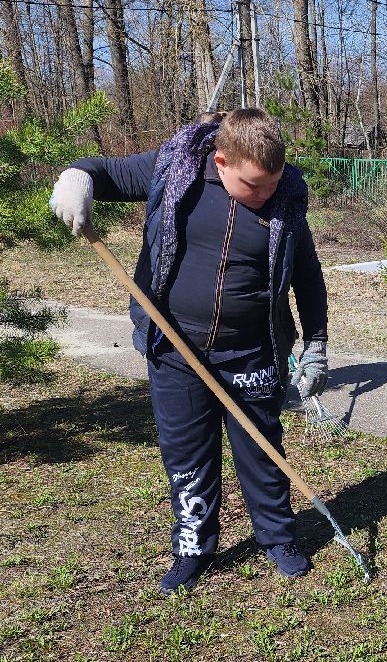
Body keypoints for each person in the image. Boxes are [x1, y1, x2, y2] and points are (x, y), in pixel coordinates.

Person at [48, 108, 330, 594]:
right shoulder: (175, 164)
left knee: (262, 452)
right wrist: (76, 179)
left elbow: (307, 274)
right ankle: (193, 548)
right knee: (187, 457)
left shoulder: (285, 195)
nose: (266, 196)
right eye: (253, 185)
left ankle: (278, 539)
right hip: (176, 348)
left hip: (251, 352)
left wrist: (316, 343)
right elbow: (102, 170)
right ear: (221, 161)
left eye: (274, 183)